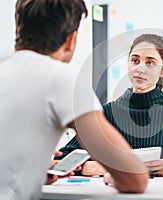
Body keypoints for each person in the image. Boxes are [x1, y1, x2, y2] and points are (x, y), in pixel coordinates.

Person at [0, 1, 148, 199]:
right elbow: (134, 178)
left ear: (18, 29)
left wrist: (32, 170)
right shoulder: (59, 77)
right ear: (71, 40)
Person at [57, 34, 163, 177]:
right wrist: (105, 167)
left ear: (162, 70)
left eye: (150, 62)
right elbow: (64, 160)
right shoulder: (108, 113)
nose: (140, 68)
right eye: (135, 60)